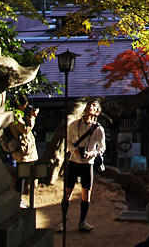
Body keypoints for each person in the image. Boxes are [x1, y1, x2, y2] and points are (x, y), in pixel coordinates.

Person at [57, 99, 106, 232]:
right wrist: (75, 150)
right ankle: (63, 220)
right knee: (67, 192)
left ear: (97, 112)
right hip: (73, 161)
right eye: (89, 105)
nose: (90, 107)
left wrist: (92, 153)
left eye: (94, 106)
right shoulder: (73, 125)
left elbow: (102, 147)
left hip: (87, 164)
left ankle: (82, 222)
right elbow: (67, 142)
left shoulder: (98, 129)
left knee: (86, 194)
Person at [10, 95, 38, 207]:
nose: (24, 108)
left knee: (23, 177)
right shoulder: (15, 116)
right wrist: (32, 117)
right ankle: (18, 199)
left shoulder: (19, 115)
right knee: (20, 177)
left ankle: (19, 198)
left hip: (25, 151)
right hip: (22, 152)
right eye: (24, 106)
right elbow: (25, 129)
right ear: (20, 105)